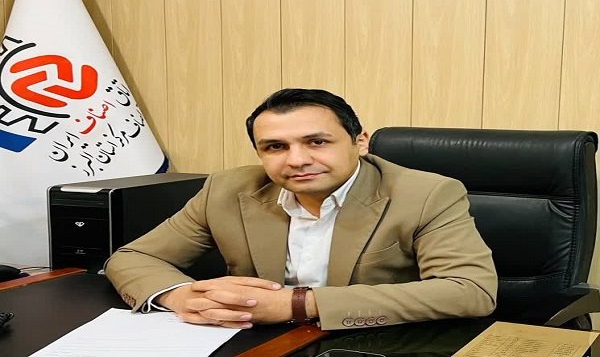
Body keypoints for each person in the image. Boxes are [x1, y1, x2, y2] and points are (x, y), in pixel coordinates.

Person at [105, 88, 497, 331]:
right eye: (275, 147)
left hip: (370, 341)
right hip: (261, 341)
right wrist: (179, 296)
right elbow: (134, 257)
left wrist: (297, 305)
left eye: (317, 142)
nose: (297, 160)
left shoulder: (427, 194)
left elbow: (470, 291)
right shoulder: (227, 189)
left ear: (360, 142)